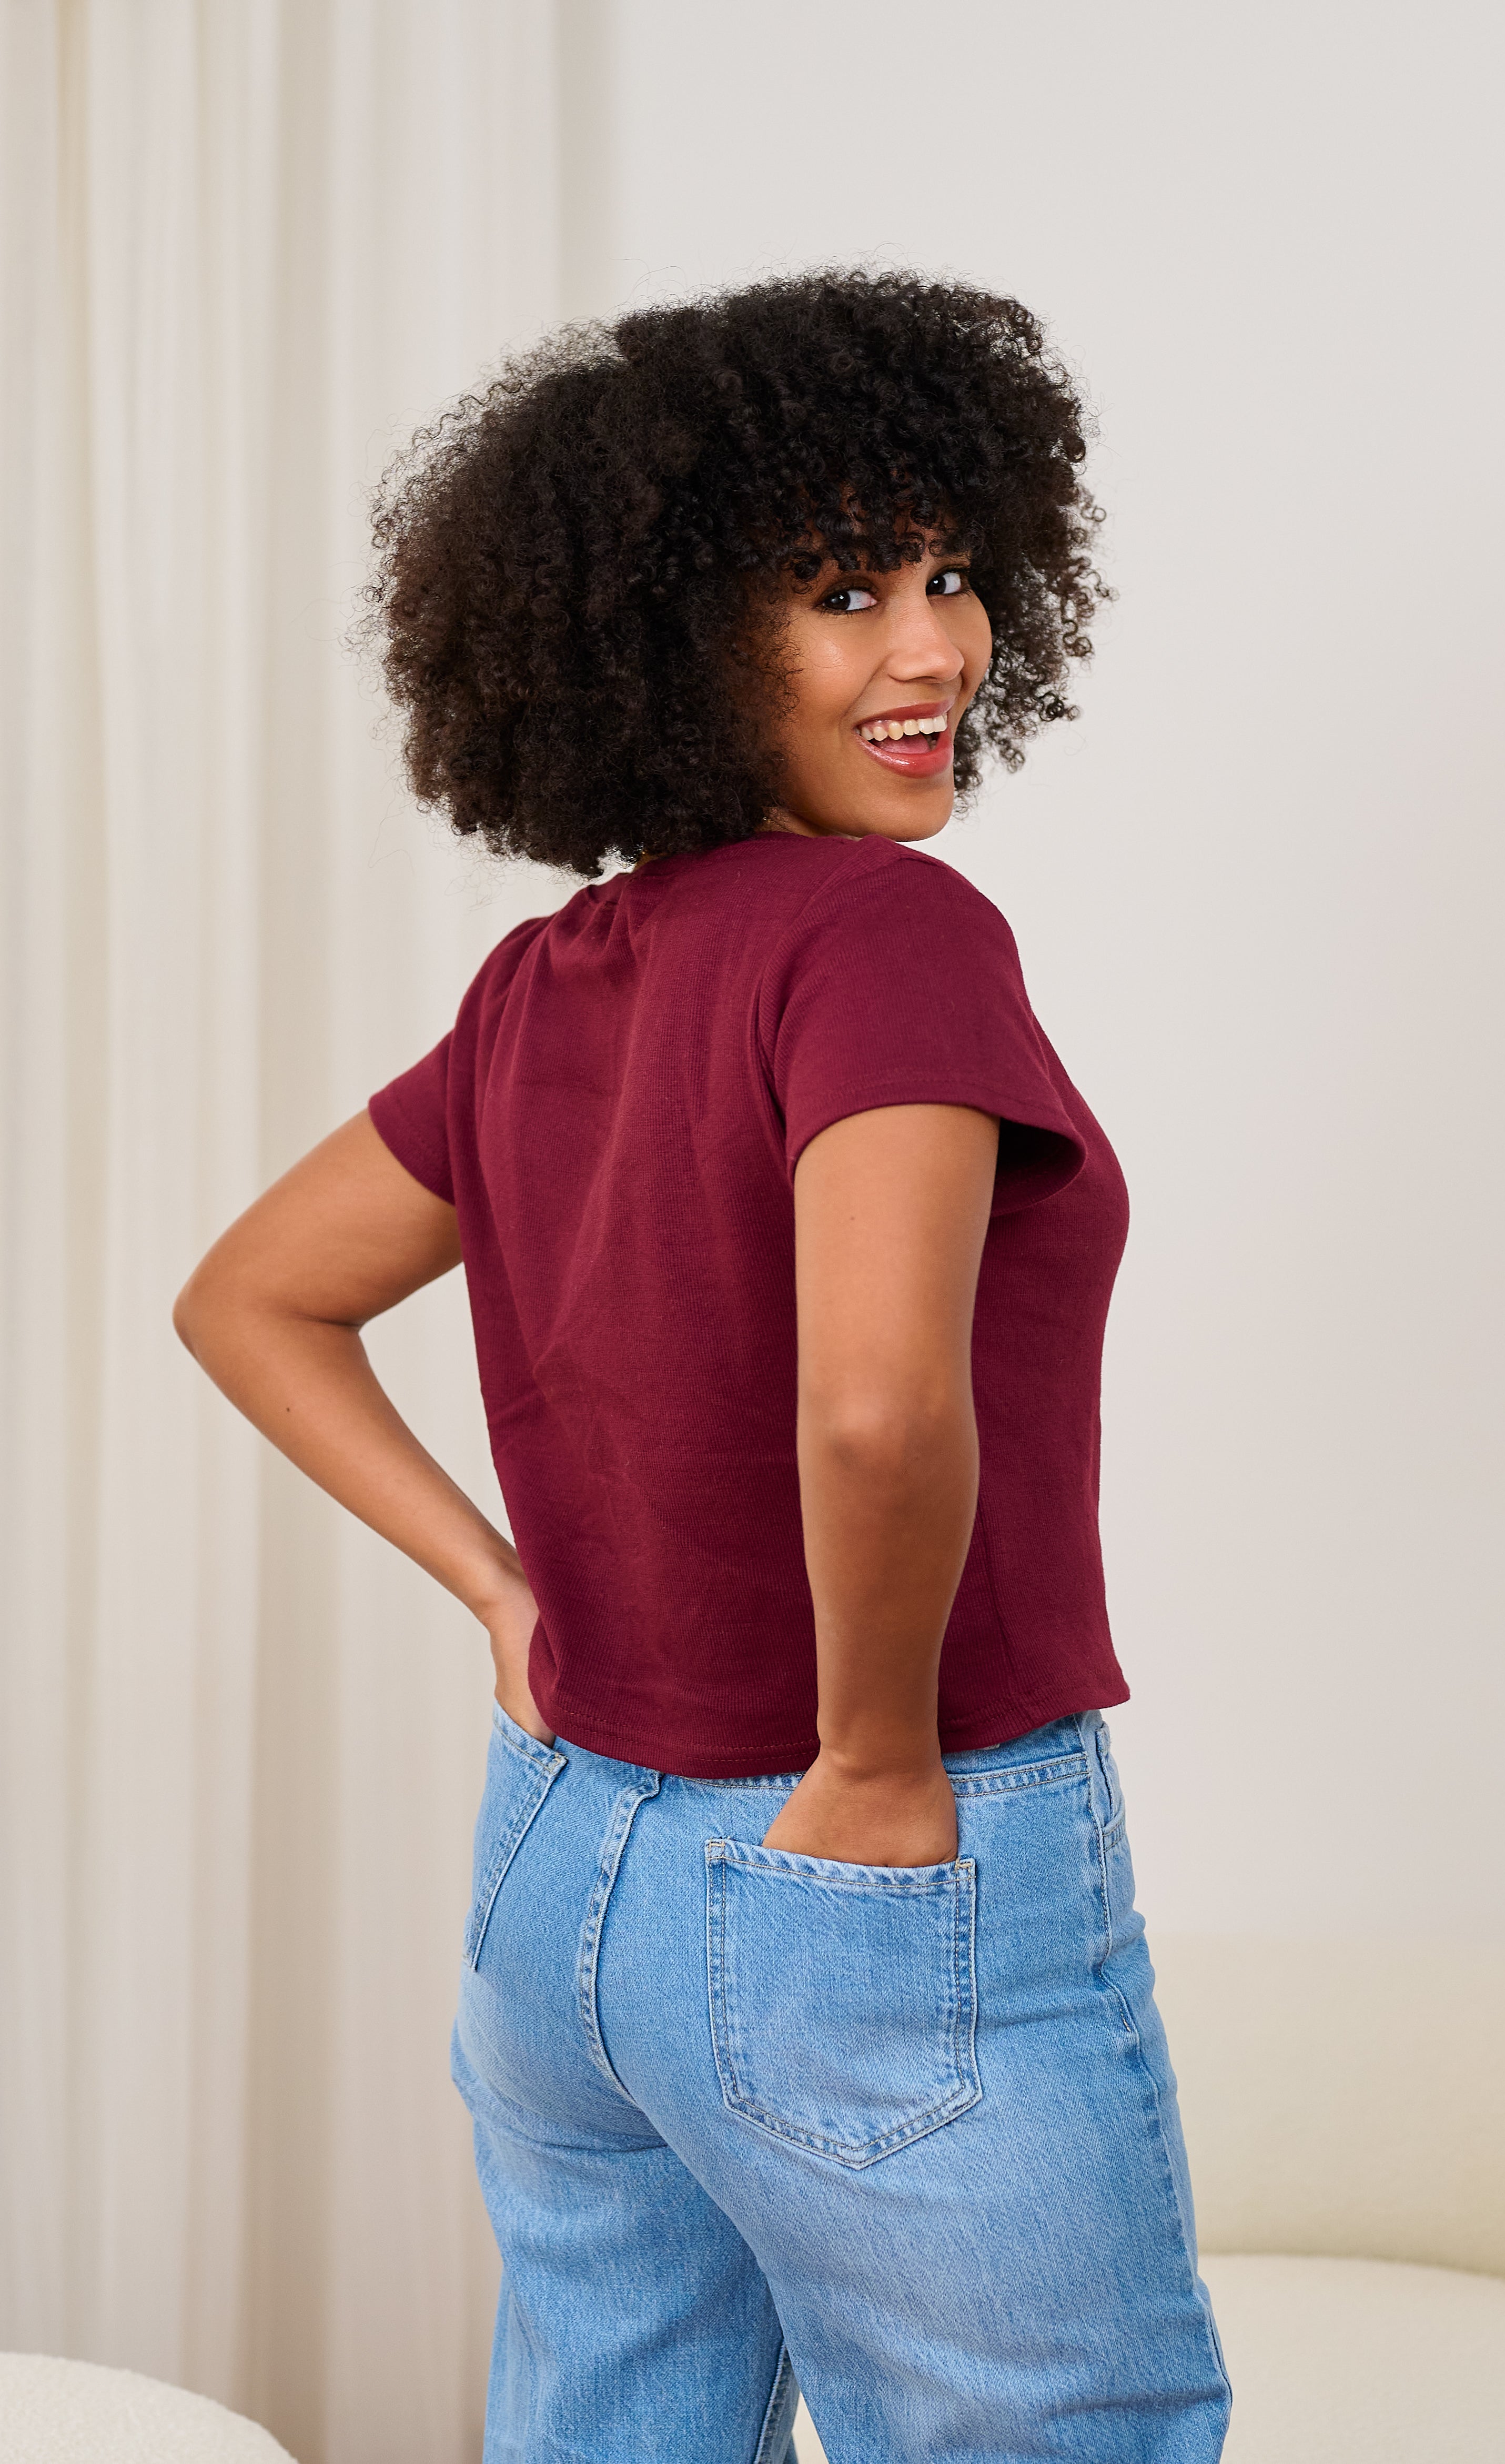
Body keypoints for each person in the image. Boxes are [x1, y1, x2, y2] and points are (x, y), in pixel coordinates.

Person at [175, 271, 1230, 2463]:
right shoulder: (887, 934)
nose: (932, 649)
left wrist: (505, 1600)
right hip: (863, 1856)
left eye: (951, 574)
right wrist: (874, 1762)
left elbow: (251, 1294)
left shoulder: (547, 980)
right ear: (665, 640)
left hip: (567, 1873)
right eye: (841, 594)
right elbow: (876, 1401)